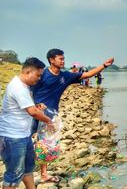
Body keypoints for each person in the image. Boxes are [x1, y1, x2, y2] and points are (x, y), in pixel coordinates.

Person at [31, 49, 114, 182]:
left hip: (51, 115)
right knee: (27, 140)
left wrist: (104, 66)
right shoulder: (42, 74)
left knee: (45, 143)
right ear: (52, 60)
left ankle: (44, 174)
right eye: (60, 59)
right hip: (34, 112)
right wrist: (34, 104)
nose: (63, 61)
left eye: (64, 59)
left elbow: (87, 75)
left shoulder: (65, 76)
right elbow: (29, 89)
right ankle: (18, 173)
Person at [0, 58, 55, 189]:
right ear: (27, 72)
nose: (39, 79)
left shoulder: (24, 86)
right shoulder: (18, 87)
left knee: (28, 166)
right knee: (13, 172)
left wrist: (37, 107)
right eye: (38, 75)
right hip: (12, 137)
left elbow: (27, 108)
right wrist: (48, 120)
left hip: (23, 135)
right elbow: (32, 112)